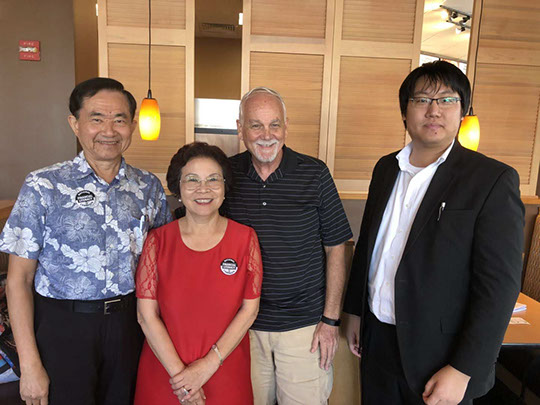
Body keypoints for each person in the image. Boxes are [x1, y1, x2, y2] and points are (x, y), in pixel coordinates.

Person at [343, 60, 524, 405]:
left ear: (463, 111)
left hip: (441, 356)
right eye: (422, 99)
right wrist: (354, 311)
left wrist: (463, 369)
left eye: (447, 100)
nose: (434, 110)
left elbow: (499, 286)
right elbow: (368, 246)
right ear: (405, 111)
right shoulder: (386, 168)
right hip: (377, 340)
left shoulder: (491, 179)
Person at [0, 77, 172, 405]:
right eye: (96, 118)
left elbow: (161, 266)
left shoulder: (148, 187)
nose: (109, 130)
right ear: (75, 124)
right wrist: (30, 364)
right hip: (62, 327)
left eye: (119, 119)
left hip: (128, 325)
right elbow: (18, 280)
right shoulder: (43, 185)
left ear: (132, 126)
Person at [225, 87, 353, 404]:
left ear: (286, 127)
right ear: (240, 129)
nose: (266, 135)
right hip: (243, 327)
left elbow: (337, 248)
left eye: (275, 124)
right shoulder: (225, 175)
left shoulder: (315, 173)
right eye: (255, 125)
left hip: (304, 328)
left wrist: (330, 321)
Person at [134, 142, 263, 405]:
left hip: (225, 370)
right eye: (192, 180)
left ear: (225, 187)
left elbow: (249, 311)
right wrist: (183, 380)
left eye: (213, 179)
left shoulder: (245, 239)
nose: (203, 189)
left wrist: (207, 366)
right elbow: (146, 316)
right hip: (165, 373)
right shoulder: (158, 241)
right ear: (178, 188)